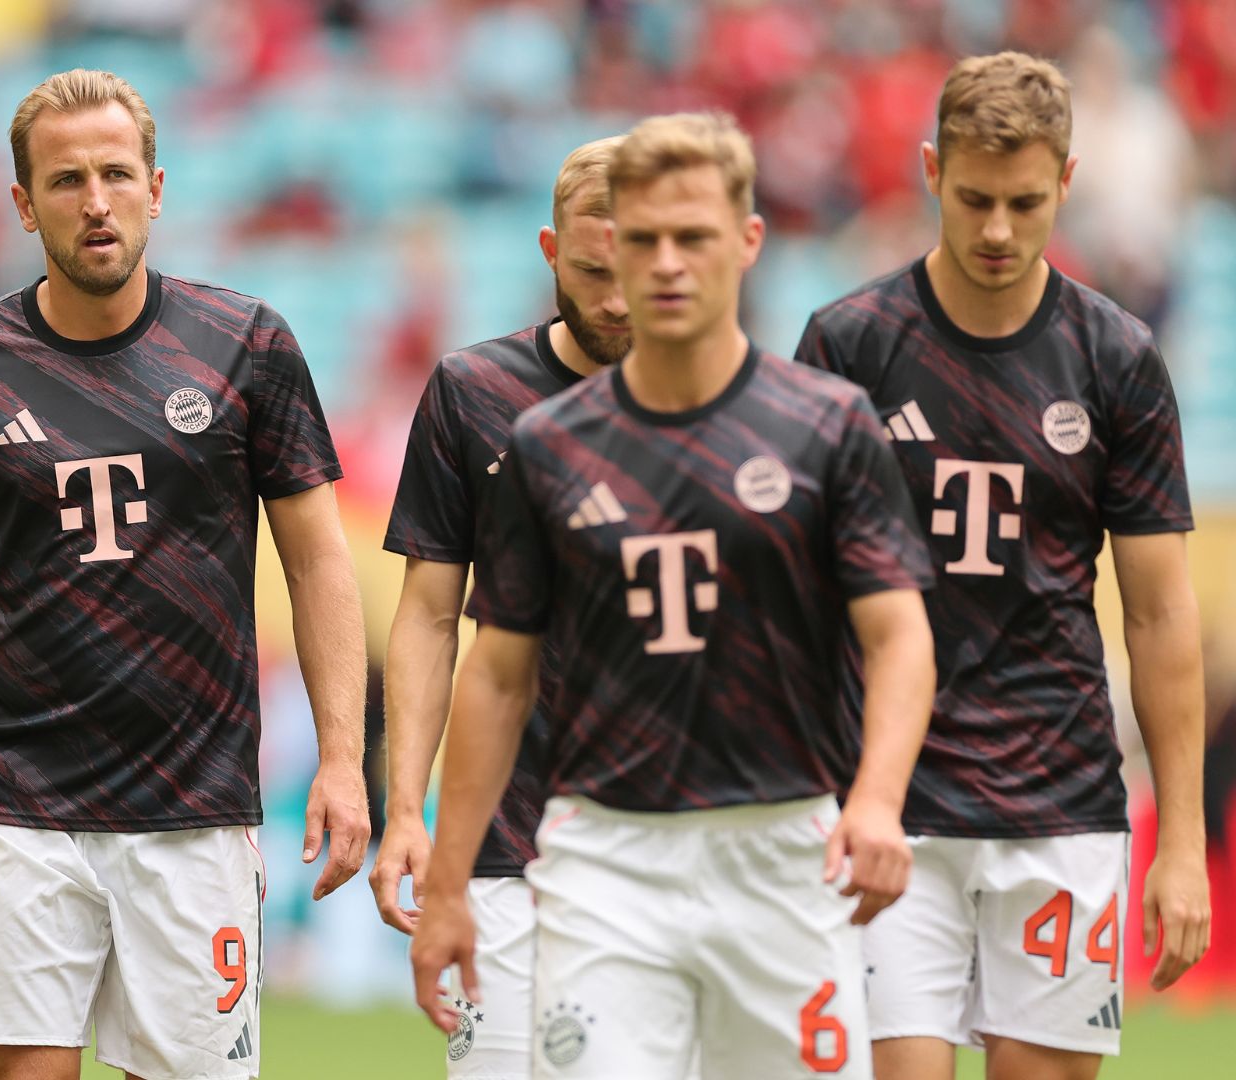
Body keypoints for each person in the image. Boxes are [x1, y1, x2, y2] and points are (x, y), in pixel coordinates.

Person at [0, 69, 369, 1080]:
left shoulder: (247, 346)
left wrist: (342, 757)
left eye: (115, 174)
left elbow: (320, 559)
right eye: (66, 181)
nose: (95, 201)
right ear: (23, 204)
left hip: (197, 804)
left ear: (157, 186)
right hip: (22, 805)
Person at [408, 111, 938, 1078]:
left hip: (784, 849)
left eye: (690, 236)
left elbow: (900, 636)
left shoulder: (826, 424)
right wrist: (448, 882)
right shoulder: (547, 445)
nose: (663, 263)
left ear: (746, 242)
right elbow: (496, 677)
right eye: (641, 239)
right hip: (607, 860)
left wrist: (879, 799)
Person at [794, 52, 1210, 1080]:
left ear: (1066, 183)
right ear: (932, 170)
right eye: (974, 198)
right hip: (889, 801)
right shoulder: (849, 346)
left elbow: (1159, 615)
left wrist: (1186, 844)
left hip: (1059, 802)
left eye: (1025, 203)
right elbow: (795, 596)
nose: (995, 230)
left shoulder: (1116, 358)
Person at [369, 135, 629, 1080]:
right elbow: (430, 616)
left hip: (678, 837)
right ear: (551, 251)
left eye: (633, 268)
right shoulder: (475, 395)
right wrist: (407, 807)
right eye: (592, 271)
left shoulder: (745, 409)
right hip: (506, 840)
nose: (614, 299)